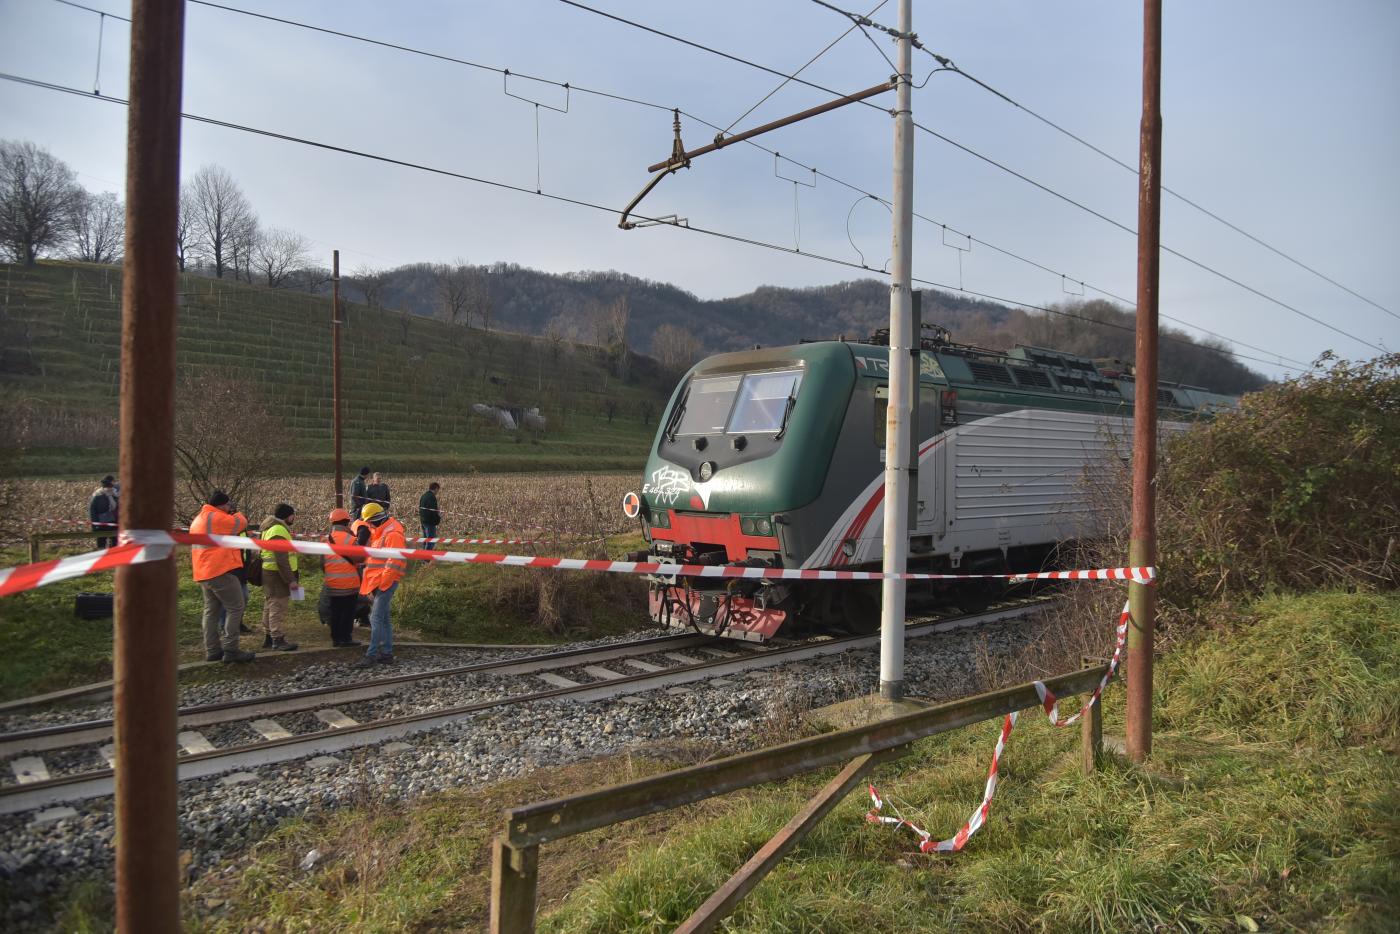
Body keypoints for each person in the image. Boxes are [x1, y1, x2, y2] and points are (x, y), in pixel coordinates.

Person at [190, 491, 255, 663]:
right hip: (220, 570)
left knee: (211, 611)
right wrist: (237, 513)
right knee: (236, 607)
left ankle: (212, 650)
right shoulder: (216, 518)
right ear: (222, 505)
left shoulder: (199, 519)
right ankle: (231, 649)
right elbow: (240, 523)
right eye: (228, 505)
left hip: (203, 572)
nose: (229, 508)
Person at [355, 502, 405, 667]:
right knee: (383, 619)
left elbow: (394, 562)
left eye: (369, 522)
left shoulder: (392, 534)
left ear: (376, 519)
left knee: (375, 618)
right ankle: (386, 654)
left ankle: (371, 655)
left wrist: (382, 584)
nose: (368, 525)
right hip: (380, 582)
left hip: (385, 583)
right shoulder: (381, 531)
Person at [258, 503, 300, 652]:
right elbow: (282, 559)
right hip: (277, 574)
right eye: (293, 515)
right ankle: (277, 639)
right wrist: (291, 580)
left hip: (270, 572)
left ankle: (269, 637)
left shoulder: (269, 528)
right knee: (278, 606)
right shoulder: (279, 530)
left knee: (270, 605)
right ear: (288, 515)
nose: (294, 517)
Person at [322, 508, 362, 647]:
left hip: (332, 583)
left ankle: (335, 639)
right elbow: (359, 558)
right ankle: (346, 638)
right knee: (348, 612)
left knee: (335, 611)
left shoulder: (325, 540)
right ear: (346, 522)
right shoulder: (351, 539)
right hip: (349, 583)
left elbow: (322, 562)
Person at [88, 475, 119, 549]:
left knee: (115, 545)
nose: (111, 487)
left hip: (114, 524)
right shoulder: (97, 495)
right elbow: (92, 511)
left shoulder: (115, 495)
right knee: (101, 545)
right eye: (112, 483)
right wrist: (95, 525)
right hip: (101, 525)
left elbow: (118, 509)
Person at [418, 481, 442, 548]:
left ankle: (423, 556)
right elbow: (433, 511)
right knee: (430, 541)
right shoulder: (432, 497)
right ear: (436, 488)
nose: (438, 492)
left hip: (423, 521)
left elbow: (420, 508)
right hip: (430, 522)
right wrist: (438, 519)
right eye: (438, 490)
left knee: (425, 540)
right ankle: (426, 558)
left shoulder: (424, 496)